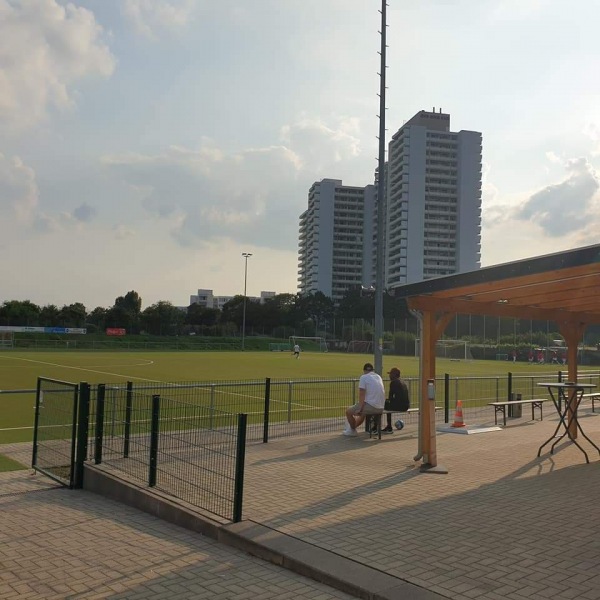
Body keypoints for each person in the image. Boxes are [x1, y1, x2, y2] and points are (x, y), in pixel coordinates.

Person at [343, 363, 385, 437]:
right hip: (381, 408)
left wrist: (360, 408)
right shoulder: (378, 377)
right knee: (363, 414)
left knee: (348, 411)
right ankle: (352, 428)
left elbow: (362, 394)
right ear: (373, 370)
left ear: (364, 370)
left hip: (372, 407)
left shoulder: (364, 377)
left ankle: (352, 430)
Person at [380, 367, 410, 434]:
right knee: (387, 405)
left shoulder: (393, 383)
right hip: (406, 405)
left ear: (394, 375)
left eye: (390, 374)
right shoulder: (403, 382)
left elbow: (390, 398)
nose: (389, 376)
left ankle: (388, 427)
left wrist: (385, 401)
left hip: (400, 406)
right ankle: (388, 426)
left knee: (385, 406)